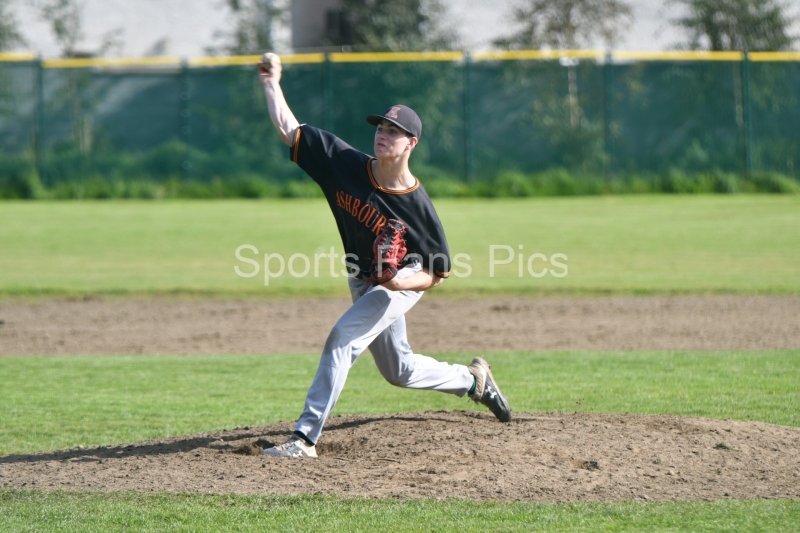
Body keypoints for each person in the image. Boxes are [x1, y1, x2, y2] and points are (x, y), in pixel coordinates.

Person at [257, 53, 511, 458]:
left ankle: (305, 439)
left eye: (394, 131)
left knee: (342, 338)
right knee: (399, 370)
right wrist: (272, 83)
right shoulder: (344, 164)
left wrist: (397, 282)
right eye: (381, 127)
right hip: (363, 276)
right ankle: (473, 380)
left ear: (411, 143)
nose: (383, 134)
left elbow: (437, 273)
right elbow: (290, 129)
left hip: (401, 278)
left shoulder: (418, 207)